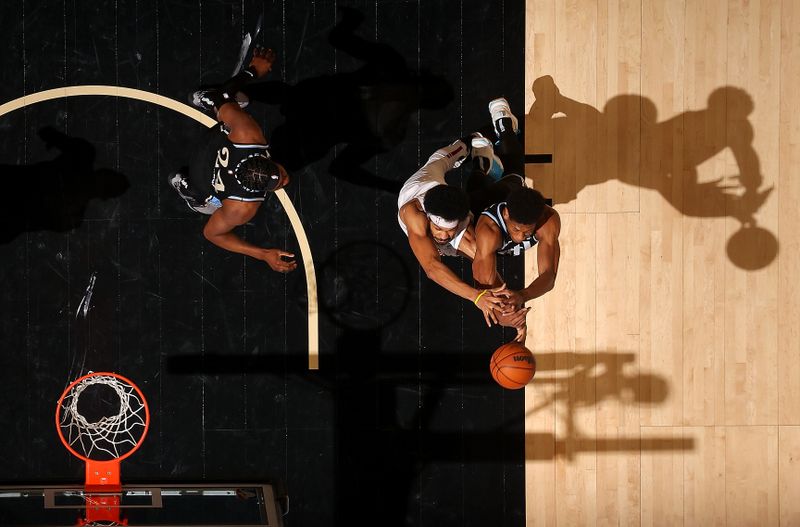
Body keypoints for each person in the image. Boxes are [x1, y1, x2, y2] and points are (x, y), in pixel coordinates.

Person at [168, 46, 297, 273]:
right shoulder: (241, 208)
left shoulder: (248, 136)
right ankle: (192, 193)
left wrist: (253, 70)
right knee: (209, 208)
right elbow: (211, 233)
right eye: (278, 182)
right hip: (202, 178)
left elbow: (224, 94)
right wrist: (262, 254)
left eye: (280, 176)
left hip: (210, 145)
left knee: (230, 105)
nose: (286, 180)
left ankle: (212, 104)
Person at [397, 137, 507, 326]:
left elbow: (485, 269)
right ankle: (479, 157)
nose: (443, 236)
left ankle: (483, 165)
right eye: (439, 229)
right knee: (454, 153)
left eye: (449, 230)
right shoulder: (414, 213)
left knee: (483, 256)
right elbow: (432, 268)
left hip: (457, 215)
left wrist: (509, 309)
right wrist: (468, 142)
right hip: (420, 196)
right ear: (430, 218)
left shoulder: (459, 222)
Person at [472, 186, 561, 340]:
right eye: (516, 229)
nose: (520, 237)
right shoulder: (489, 232)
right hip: (474, 231)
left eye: (527, 232)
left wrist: (522, 295)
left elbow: (549, 277)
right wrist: (504, 317)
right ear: (506, 214)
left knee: (514, 184)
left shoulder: (548, 220)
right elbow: (484, 285)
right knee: (470, 249)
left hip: (500, 241)